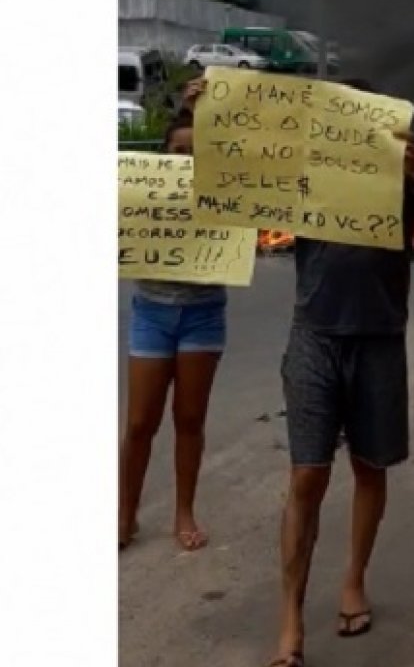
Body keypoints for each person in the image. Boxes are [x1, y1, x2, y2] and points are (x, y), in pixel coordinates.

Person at [267, 78, 414, 667]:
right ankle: (290, 622)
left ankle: (354, 579)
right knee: (307, 476)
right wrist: (212, 113)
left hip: (379, 339)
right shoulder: (307, 168)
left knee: (369, 466)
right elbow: (240, 174)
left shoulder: (405, 171)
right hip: (314, 336)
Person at [119, 79, 224, 552]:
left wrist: (202, 111)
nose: (186, 158)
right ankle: (125, 513)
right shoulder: (140, 192)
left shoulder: (223, 191)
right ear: (163, 155)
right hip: (151, 312)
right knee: (140, 422)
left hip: (203, 314)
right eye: (178, 150)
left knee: (189, 419)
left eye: (195, 151)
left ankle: (185, 511)